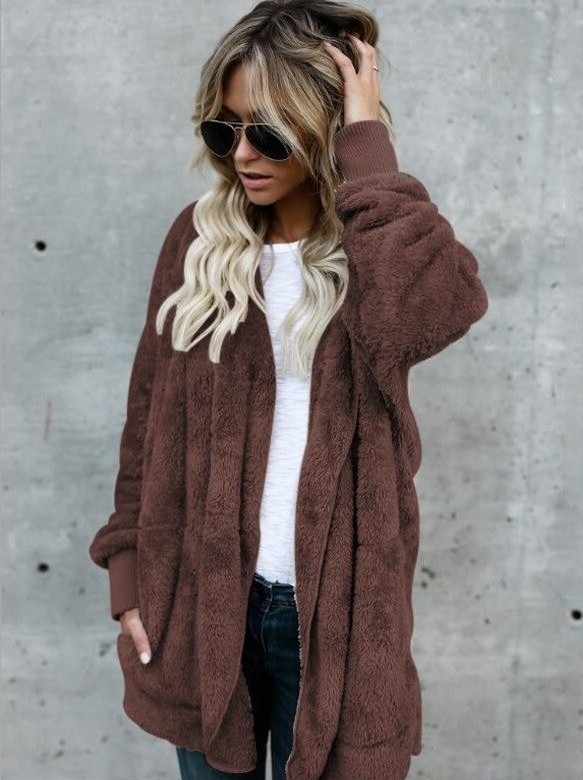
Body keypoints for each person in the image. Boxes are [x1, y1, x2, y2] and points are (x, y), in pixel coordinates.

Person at [88, 1, 489, 779]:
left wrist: (366, 142)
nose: (242, 154)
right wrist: (130, 576)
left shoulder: (372, 251)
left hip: (334, 623)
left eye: (268, 133)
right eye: (223, 130)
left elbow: (427, 313)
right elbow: (147, 419)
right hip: (201, 608)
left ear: (324, 127)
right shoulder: (198, 241)